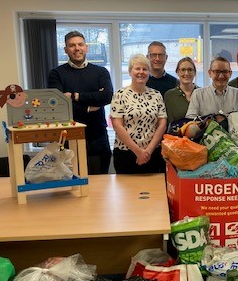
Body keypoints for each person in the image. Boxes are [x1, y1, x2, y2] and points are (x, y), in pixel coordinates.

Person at [48, 30, 113, 174]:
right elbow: (58, 106)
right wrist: (88, 108)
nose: (77, 48)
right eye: (72, 45)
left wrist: (75, 96)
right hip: (67, 138)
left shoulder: (101, 72)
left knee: (100, 182)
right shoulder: (56, 74)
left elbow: (107, 97)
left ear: (86, 47)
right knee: (69, 185)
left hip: (97, 136)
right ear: (66, 50)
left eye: (80, 44)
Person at [110, 54, 167, 174]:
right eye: (137, 68)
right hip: (126, 154)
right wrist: (138, 152)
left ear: (149, 72)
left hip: (152, 154)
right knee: (127, 191)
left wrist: (148, 151)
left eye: (145, 69)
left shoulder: (156, 95)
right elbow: (117, 126)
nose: (141, 72)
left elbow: (162, 124)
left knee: (153, 191)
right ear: (130, 71)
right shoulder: (120, 94)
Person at [164, 57, 198, 124]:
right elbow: (170, 123)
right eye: (183, 70)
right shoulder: (169, 95)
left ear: (195, 72)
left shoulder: (202, 93)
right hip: (177, 134)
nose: (186, 73)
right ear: (177, 72)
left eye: (190, 70)